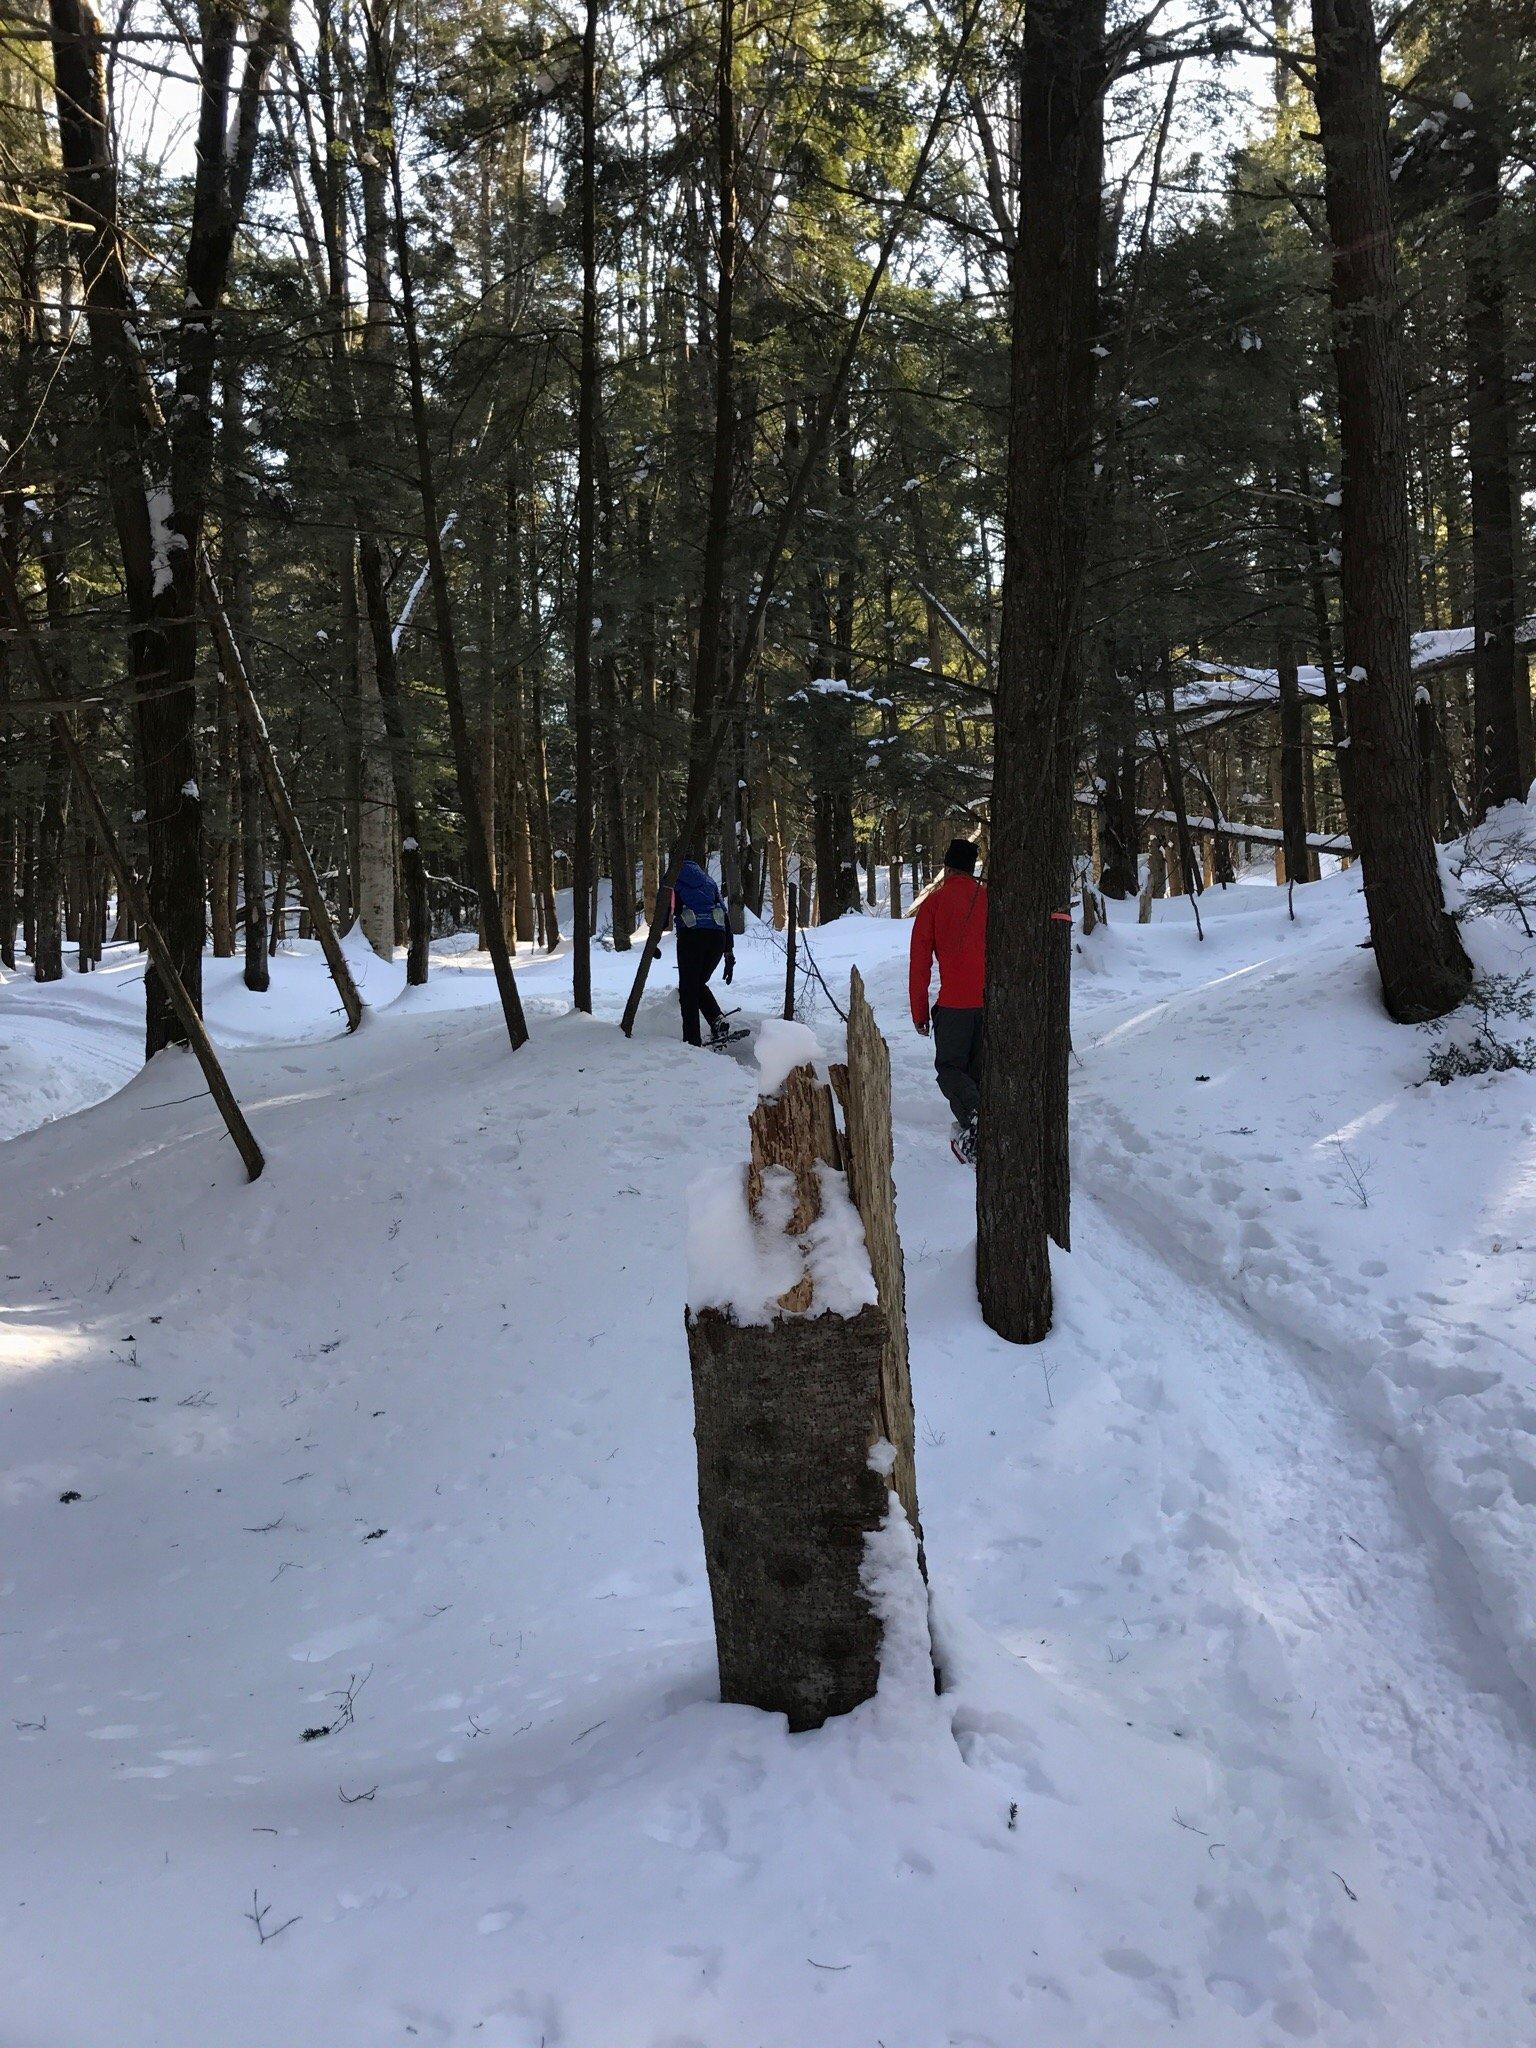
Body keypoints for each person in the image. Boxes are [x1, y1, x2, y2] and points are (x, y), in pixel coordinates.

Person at [909, 837, 987, 1163]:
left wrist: (919, 1013)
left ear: (947, 866)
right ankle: (979, 1136)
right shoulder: (988, 899)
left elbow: (920, 963)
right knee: (978, 1072)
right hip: (989, 1004)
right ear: (972, 868)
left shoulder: (933, 904)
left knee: (950, 1069)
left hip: (954, 1006)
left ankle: (976, 1120)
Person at [670, 857, 736, 1047]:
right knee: (697, 983)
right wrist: (728, 952)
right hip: (717, 937)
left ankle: (692, 1041)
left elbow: (664, 910)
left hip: (692, 936)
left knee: (688, 989)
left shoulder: (672, 880)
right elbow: (724, 914)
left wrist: (654, 942)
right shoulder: (709, 881)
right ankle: (717, 1019)